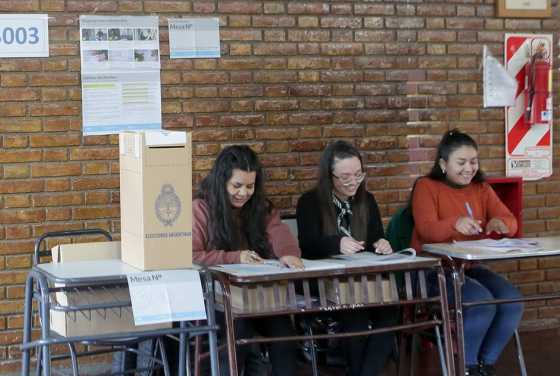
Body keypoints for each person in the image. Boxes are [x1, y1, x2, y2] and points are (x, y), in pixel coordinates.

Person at [411, 129, 522, 376]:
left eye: (473, 161)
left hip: (469, 267)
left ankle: (484, 364)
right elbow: (426, 229)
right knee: (481, 301)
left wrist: (502, 224)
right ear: (443, 164)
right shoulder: (426, 186)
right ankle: (467, 367)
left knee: (512, 300)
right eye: (461, 162)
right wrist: (454, 223)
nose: (469, 168)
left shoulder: (480, 188)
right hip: (432, 272)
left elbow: (510, 220)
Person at [192, 145, 303, 376]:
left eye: (250, 186)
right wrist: (236, 257)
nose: (243, 193)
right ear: (221, 182)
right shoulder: (201, 209)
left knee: (284, 333)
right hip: (216, 299)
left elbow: (279, 232)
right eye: (237, 185)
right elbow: (193, 256)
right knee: (238, 331)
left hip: (257, 296)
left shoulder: (260, 208)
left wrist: (288, 253)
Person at [295, 140, 397, 376]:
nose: (353, 182)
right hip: (327, 279)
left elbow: (375, 238)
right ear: (329, 176)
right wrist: (336, 243)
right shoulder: (310, 202)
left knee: (391, 311)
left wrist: (381, 244)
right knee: (356, 314)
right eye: (345, 177)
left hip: (362, 276)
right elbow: (307, 245)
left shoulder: (367, 200)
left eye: (358, 175)